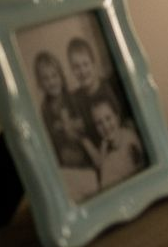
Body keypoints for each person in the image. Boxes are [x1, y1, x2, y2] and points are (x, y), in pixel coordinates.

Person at [33, 51, 100, 200]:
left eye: (54, 76)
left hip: (86, 161)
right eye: (46, 78)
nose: (51, 82)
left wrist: (72, 127)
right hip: (66, 166)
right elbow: (51, 141)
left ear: (61, 76)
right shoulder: (45, 110)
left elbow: (87, 128)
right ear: (40, 83)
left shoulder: (73, 99)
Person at [89, 95, 147, 189]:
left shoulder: (129, 140)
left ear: (117, 117)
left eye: (108, 118)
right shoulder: (105, 146)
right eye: (99, 123)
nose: (105, 126)